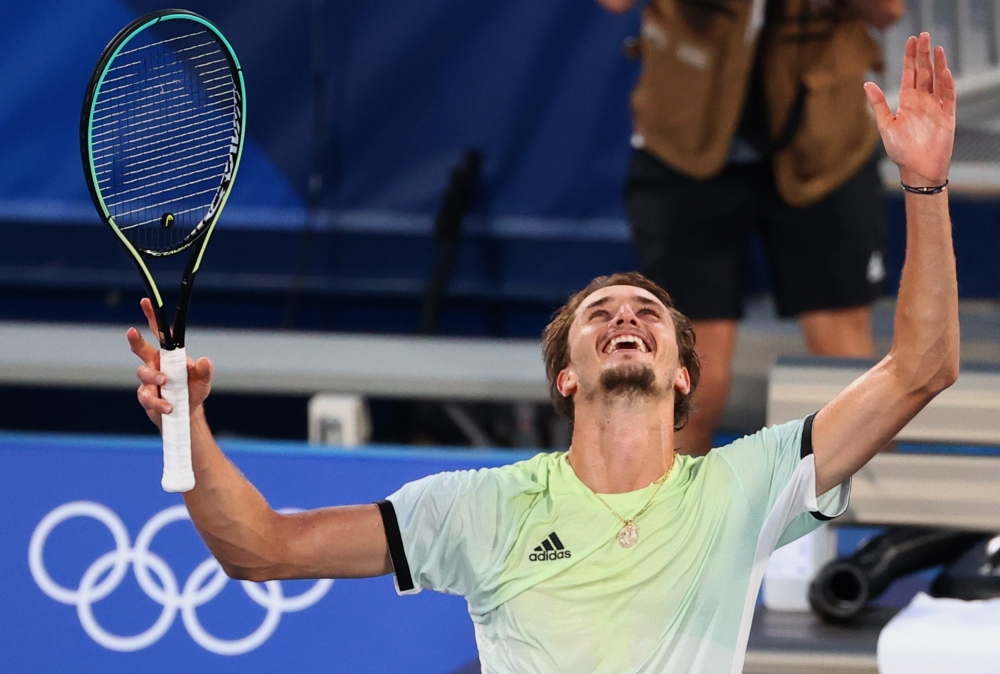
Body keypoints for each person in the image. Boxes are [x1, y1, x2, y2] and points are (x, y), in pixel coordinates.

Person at [129, 34, 956, 674]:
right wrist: (191, 429)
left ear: (683, 377)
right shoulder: (481, 508)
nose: (626, 318)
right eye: (600, 314)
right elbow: (263, 548)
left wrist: (924, 185)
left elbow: (922, 367)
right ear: (567, 374)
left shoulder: (747, 487)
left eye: (649, 314)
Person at [598, 0, 905, 453]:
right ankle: (678, 519)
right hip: (686, 143)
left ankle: (864, 522)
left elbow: (887, 11)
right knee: (692, 387)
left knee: (846, 374)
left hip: (824, 145)